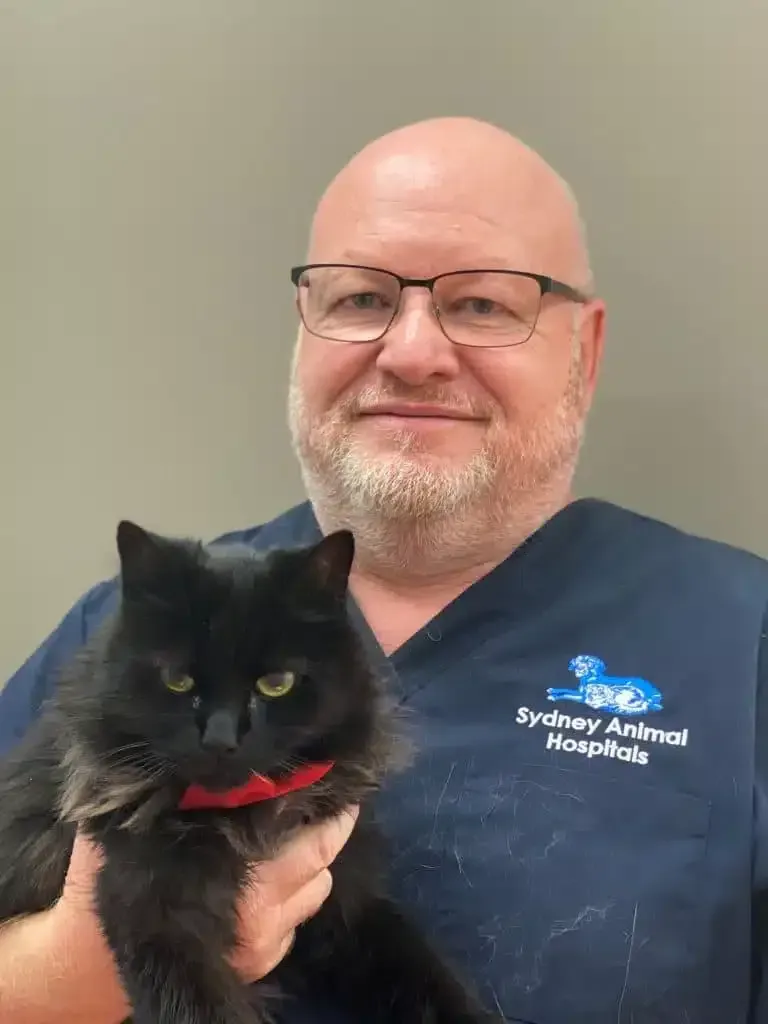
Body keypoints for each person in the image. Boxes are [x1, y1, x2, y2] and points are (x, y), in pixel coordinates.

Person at [0, 115, 765, 1024]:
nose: (409, 351)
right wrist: (64, 974)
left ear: (585, 353)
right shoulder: (126, 625)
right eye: (360, 299)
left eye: (482, 303)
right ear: (304, 327)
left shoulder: (738, 639)